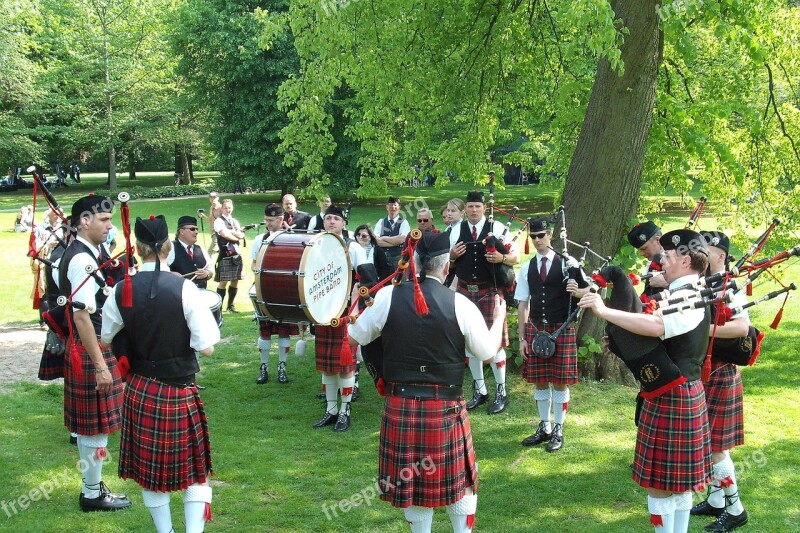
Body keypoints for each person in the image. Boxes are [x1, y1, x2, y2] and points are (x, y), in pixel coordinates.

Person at [348, 231, 506, 533]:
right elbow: (486, 352)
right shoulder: (460, 304)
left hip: (401, 407)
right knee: (461, 484)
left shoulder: (387, 296)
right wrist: (498, 318)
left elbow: (356, 335)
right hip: (445, 410)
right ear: (447, 267)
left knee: (412, 482)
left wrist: (359, 301)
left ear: (415, 262)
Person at [579, 229, 712, 533]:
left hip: (674, 394)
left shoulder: (689, 294)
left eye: (667, 254)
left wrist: (604, 311)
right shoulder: (685, 290)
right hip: (677, 391)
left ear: (685, 258)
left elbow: (656, 326)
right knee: (677, 483)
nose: (660, 259)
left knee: (662, 485)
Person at [101, 215, 219, 533]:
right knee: (195, 472)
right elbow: (206, 346)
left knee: (152, 473)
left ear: (138, 249)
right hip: (179, 390)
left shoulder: (120, 290)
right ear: (168, 245)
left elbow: (106, 337)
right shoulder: (185, 288)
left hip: (140, 389)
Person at [58, 194, 131, 512]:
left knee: (95, 428)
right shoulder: (81, 260)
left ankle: (93, 486)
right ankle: (91, 494)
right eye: (104, 219)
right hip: (92, 353)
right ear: (84, 221)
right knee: (96, 429)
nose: (110, 225)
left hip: (89, 351)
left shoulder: (86, 252)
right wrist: (101, 365)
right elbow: (81, 315)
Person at [690, 231, 749, 532]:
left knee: (716, 447)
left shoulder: (731, 286)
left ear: (721, 256)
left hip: (721, 372)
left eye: (706, 249)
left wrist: (705, 328)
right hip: (704, 370)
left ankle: (735, 508)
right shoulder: (702, 284)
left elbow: (742, 327)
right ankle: (715, 499)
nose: (699, 252)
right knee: (708, 441)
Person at [515, 216, 590, 452]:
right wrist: (522, 338)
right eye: (534, 237)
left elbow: (593, 289)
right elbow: (523, 304)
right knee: (539, 381)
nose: (538, 240)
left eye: (541, 236)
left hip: (561, 328)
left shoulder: (569, 263)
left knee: (559, 382)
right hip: (537, 330)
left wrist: (577, 291)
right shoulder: (527, 267)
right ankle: (544, 426)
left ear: (550, 236)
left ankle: (558, 427)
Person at [448, 190, 518, 415]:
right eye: (470, 206)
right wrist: (451, 256)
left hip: (490, 291)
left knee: (495, 343)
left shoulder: (496, 227)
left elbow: (515, 256)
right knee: (469, 343)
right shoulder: (456, 230)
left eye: (477, 206)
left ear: (484, 208)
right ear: (465, 209)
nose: (474, 210)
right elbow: (446, 263)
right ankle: (480, 390)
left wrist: (502, 258)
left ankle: (502, 392)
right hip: (465, 292)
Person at [313, 205, 366, 432]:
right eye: (328, 218)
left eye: (336, 219)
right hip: (323, 312)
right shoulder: (316, 245)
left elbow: (368, 278)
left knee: (345, 366)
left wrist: (356, 303)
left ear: (344, 223)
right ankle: (331, 410)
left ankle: (345, 411)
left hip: (346, 312)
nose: (331, 222)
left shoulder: (353, 247)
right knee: (328, 367)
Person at [251, 203, 298, 385]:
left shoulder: (292, 238)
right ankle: (263, 367)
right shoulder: (259, 239)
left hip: (284, 292)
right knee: (265, 333)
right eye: (266, 220)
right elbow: (254, 264)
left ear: (281, 219)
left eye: (271, 220)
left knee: (284, 333)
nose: (267, 224)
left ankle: (282, 367)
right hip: (265, 291)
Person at [213, 199, 244, 313]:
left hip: (236, 254)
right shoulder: (218, 221)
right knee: (224, 281)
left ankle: (230, 305)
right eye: (225, 207)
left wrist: (236, 234)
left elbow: (242, 234)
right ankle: (218, 308)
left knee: (235, 279)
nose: (228, 209)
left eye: (229, 207)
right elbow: (224, 234)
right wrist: (236, 236)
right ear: (222, 208)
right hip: (225, 254)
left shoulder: (235, 221)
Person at [168, 215, 213, 289]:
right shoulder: (170, 248)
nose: (196, 232)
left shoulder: (200, 249)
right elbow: (158, 271)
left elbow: (210, 270)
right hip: (178, 296)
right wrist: (170, 274)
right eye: (192, 229)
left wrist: (207, 274)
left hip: (199, 295)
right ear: (182, 231)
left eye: (197, 229)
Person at [627, 220, 668, 298]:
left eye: (644, 248)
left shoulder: (679, 259)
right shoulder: (652, 263)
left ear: (658, 240)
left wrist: (666, 284)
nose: (641, 254)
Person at [374, 196, 411, 271]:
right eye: (390, 205)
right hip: (381, 259)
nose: (392, 207)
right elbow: (376, 240)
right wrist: (395, 242)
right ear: (387, 207)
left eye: (395, 205)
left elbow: (401, 239)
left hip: (398, 259)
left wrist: (384, 238)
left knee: (398, 281)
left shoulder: (404, 222)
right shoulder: (381, 222)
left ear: (399, 208)